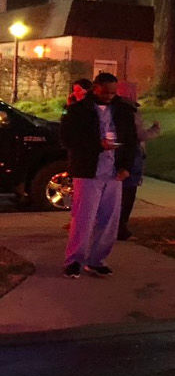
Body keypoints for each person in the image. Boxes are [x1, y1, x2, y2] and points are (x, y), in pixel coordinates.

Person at [61, 72, 136, 278]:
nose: (109, 96)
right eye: (105, 92)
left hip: (113, 172)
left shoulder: (122, 110)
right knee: (83, 217)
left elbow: (131, 140)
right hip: (88, 171)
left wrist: (126, 167)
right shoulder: (79, 110)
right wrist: (97, 145)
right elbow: (68, 139)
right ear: (95, 88)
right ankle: (74, 260)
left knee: (109, 219)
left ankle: (96, 260)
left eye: (113, 93)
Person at [117, 98, 161, 241]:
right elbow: (139, 135)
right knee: (128, 193)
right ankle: (120, 228)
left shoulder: (113, 111)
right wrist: (155, 129)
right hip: (131, 155)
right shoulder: (130, 113)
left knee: (120, 194)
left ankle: (115, 226)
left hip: (120, 154)